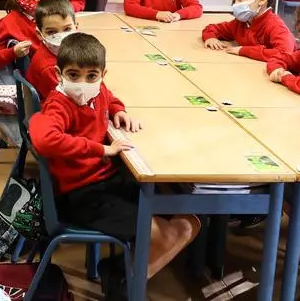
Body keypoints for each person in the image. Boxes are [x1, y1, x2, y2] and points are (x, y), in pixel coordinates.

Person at [28, 33, 198, 297]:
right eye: (73, 75)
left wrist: (119, 110)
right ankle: (123, 280)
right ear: (59, 74)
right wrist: (102, 149)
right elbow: (44, 139)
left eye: (91, 76)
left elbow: (109, 97)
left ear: (102, 75)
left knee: (189, 220)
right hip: (82, 195)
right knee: (169, 231)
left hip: (106, 179)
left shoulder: (98, 91)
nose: (82, 83)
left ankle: (121, 273)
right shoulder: (58, 104)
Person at [202, 0, 294, 62]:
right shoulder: (241, 23)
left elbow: (285, 54)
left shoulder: (275, 26)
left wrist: (244, 51)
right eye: (233, 0)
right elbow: (212, 28)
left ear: (262, 0)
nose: (235, 4)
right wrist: (210, 38)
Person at [25, 0, 78, 98]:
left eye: (67, 29)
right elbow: (67, 100)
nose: (61, 37)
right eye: (52, 32)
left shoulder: (56, 51)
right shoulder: (49, 68)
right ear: (39, 34)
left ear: (76, 28)